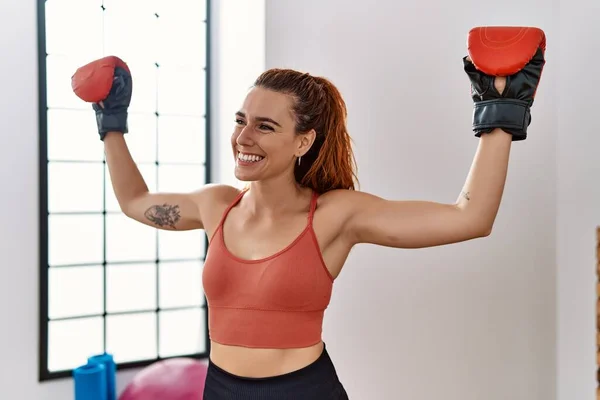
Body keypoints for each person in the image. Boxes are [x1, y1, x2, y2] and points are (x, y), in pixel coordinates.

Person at [71, 26, 545, 399]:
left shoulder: (335, 216)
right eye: (241, 120)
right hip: (219, 388)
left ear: (302, 142)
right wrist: (111, 123)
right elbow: (136, 203)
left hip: (302, 390)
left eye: (265, 126)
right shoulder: (215, 206)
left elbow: (470, 217)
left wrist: (500, 115)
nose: (244, 137)